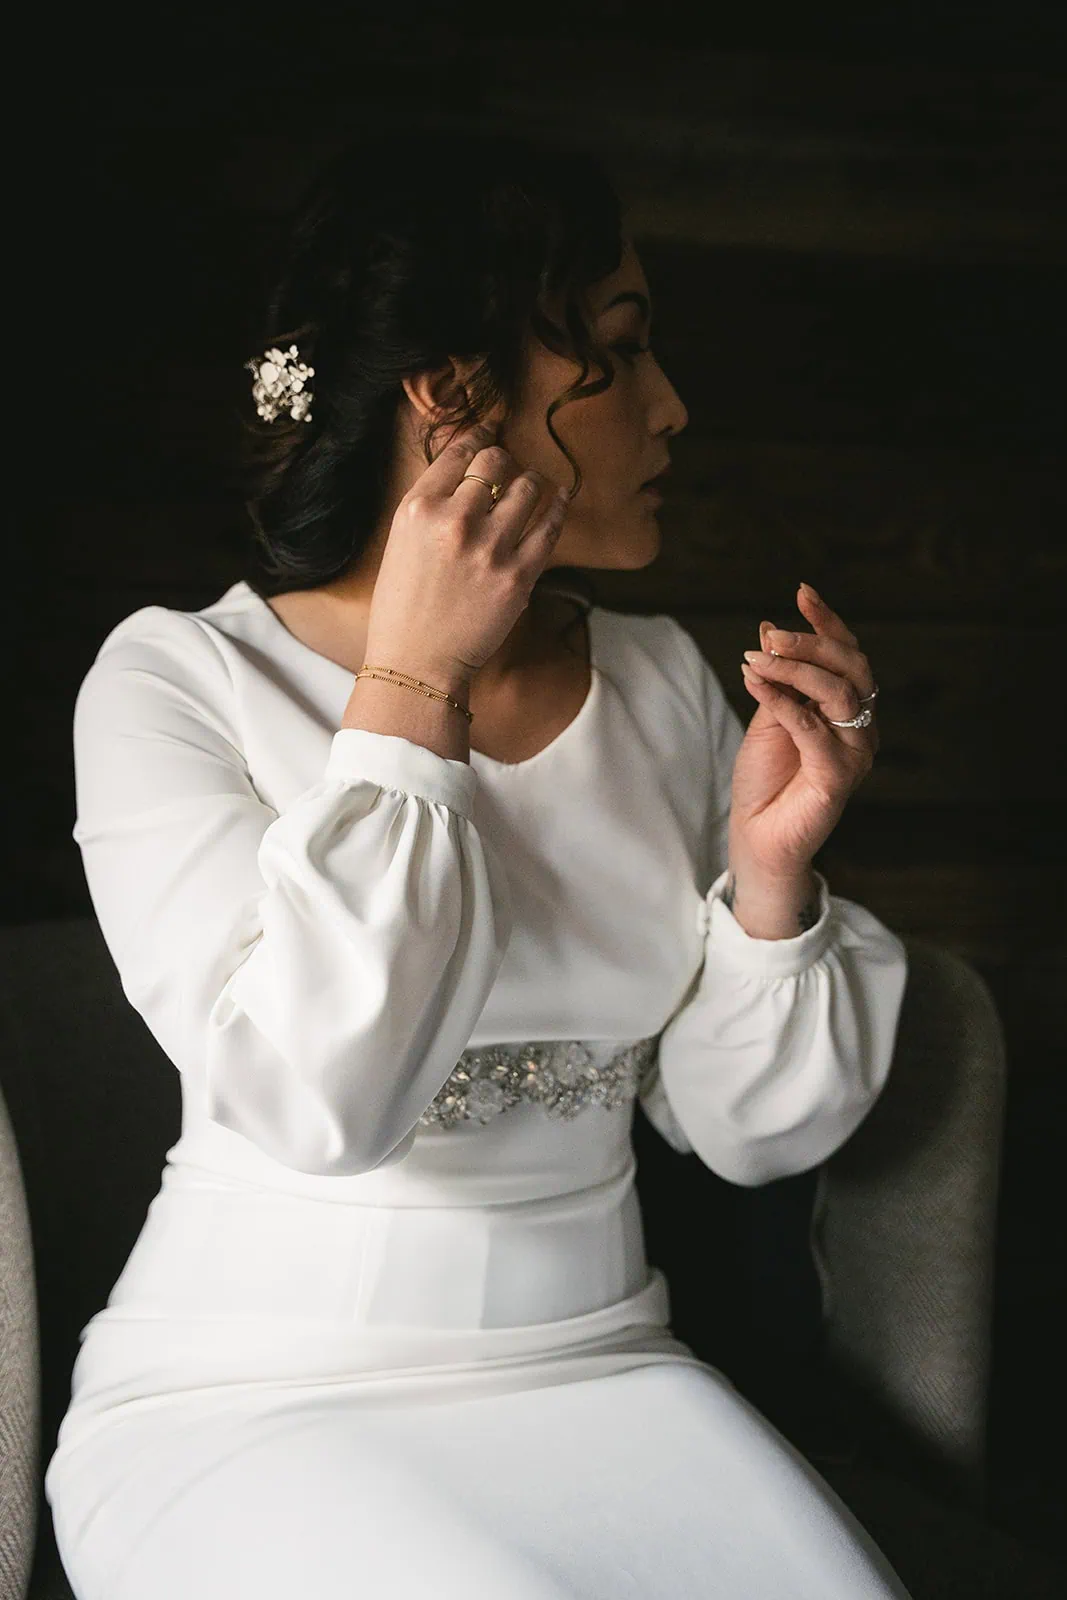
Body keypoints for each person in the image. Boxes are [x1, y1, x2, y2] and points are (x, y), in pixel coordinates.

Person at [44, 128, 913, 1598]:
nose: (671, 407)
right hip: (257, 1397)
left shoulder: (654, 682)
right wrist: (412, 696)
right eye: (620, 357)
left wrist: (769, 882)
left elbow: (743, 1132)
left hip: (609, 1370)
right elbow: (328, 1107)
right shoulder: (176, 680)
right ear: (455, 392)